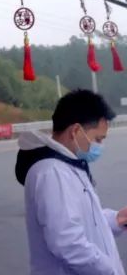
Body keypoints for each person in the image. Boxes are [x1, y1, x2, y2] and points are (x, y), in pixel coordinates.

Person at [16, 89, 127, 275]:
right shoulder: (52, 173)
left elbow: (82, 222)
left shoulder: (68, 165)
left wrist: (116, 219)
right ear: (75, 131)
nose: (99, 146)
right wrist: (110, 271)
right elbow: (68, 242)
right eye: (97, 139)